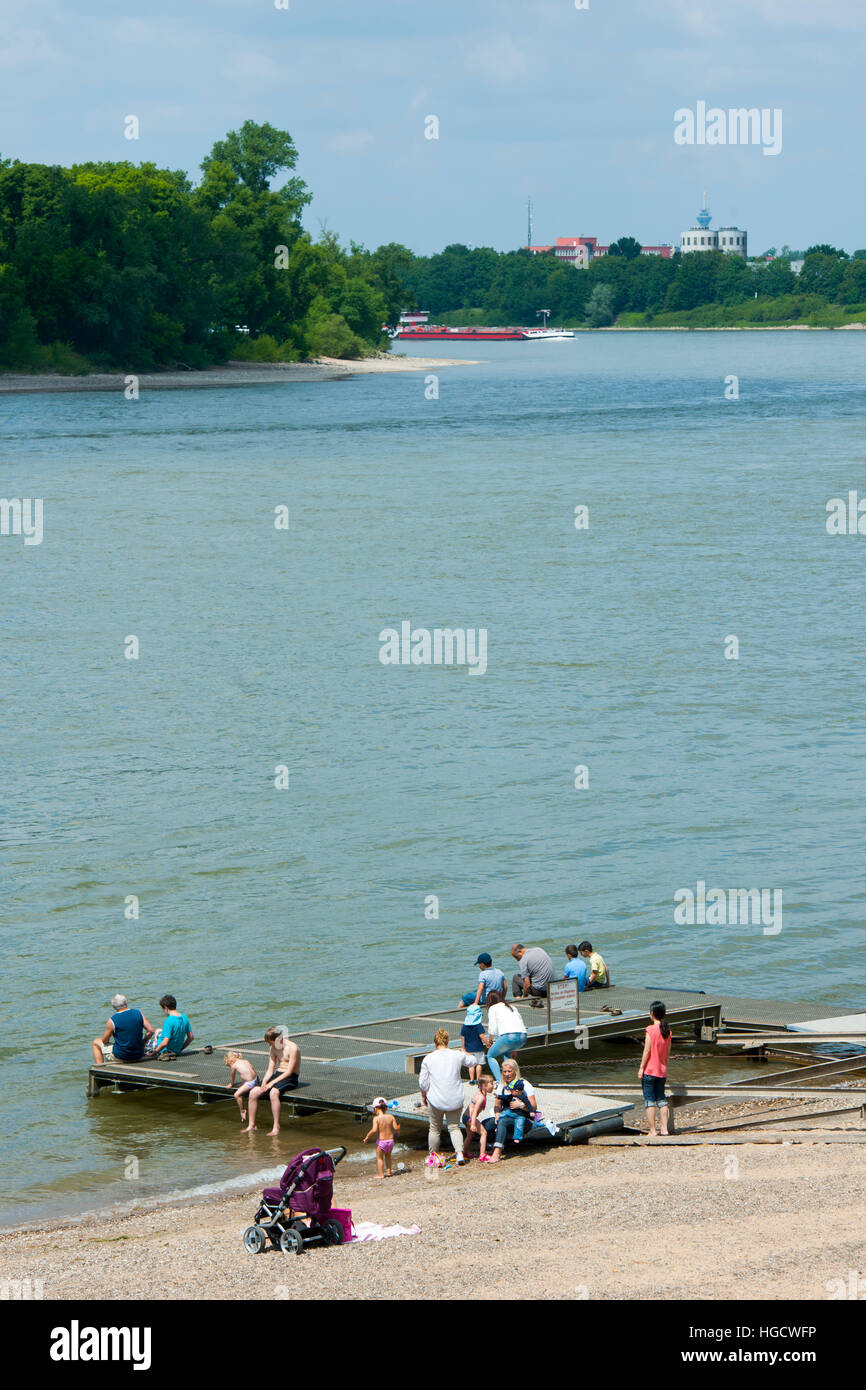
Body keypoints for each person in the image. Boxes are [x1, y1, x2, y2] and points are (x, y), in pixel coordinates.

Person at [418, 1029, 474, 1165]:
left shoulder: (428, 1058)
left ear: (434, 1042)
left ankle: (433, 1156)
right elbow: (473, 1061)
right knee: (454, 1127)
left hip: (436, 1099)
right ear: (447, 1041)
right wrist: (465, 1052)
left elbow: (423, 1083)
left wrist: (423, 1095)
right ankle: (459, 1153)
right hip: (455, 1097)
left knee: (435, 1128)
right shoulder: (456, 1055)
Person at [244, 1026, 302, 1135]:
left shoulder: (293, 1048)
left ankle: (276, 1127)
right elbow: (270, 1069)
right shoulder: (273, 1048)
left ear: (278, 1039)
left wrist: (272, 1083)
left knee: (273, 1092)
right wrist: (265, 1082)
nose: (269, 1045)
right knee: (253, 1092)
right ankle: (251, 1125)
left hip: (291, 1077)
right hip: (278, 1074)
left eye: (270, 1043)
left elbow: (289, 1072)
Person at [485, 1060, 537, 1162]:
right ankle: (495, 1144)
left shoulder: (524, 1085)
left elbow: (534, 1107)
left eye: (509, 1071)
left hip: (522, 1118)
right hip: (506, 1114)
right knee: (486, 1124)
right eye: (504, 1072)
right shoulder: (502, 1085)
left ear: (515, 1071)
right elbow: (497, 1104)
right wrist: (497, 1114)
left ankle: (497, 1152)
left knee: (503, 1122)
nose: (507, 1074)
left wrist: (521, 1105)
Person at [638, 1000, 672, 1137]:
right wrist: (665, 1066)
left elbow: (646, 1051)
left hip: (650, 1071)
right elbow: (668, 1053)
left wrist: (641, 1068)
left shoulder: (650, 1030)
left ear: (652, 1014)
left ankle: (653, 1130)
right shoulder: (667, 1031)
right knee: (662, 1100)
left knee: (649, 1101)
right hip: (661, 1071)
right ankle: (664, 1129)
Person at [92, 994, 155, 1064]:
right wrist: (143, 1043)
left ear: (113, 1007)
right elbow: (151, 1030)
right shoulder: (138, 1013)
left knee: (96, 1042)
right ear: (126, 1003)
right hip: (139, 1053)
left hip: (122, 1056)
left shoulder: (112, 1020)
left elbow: (104, 1041)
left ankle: (100, 1067)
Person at [482, 989, 528, 1081]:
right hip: (523, 1036)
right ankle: (514, 1080)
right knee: (507, 1054)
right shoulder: (511, 1007)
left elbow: (492, 1028)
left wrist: (489, 1041)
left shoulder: (493, 1008)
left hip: (509, 1036)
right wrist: (514, 1047)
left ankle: (500, 1082)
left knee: (490, 1056)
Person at [364, 1096, 401, 1178]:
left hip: (381, 1142)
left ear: (375, 1109)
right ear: (386, 1108)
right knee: (388, 1156)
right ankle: (389, 1172)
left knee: (380, 1158)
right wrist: (398, 1130)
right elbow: (395, 1128)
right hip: (391, 1141)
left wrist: (367, 1137)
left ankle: (381, 1174)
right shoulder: (391, 1116)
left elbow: (374, 1130)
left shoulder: (376, 1118)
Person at [462, 1076, 496, 1160]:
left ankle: (463, 1153)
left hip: (465, 1117)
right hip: (470, 1118)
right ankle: (482, 1155)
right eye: (491, 1084)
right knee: (484, 1133)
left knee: (470, 1136)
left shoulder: (481, 1094)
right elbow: (474, 1112)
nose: (493, 1086)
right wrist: (473, 1124)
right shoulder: (481, 1097)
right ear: (484, 1086)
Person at [224, 1050, 259, 1124]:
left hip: (250, 1083)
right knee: (243, 1081)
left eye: (229, 1064)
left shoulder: (234, 1065)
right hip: (255, 1079)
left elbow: (232, 1076)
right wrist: (257, 1081)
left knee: (236, 1095)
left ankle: (242, 1110)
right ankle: (245, 1083)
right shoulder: (246, 1061)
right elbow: (252, 1069)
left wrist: (231, 1084)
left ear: (231, 1061)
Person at [459, 1002, 486, 1082]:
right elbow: (482, 1036)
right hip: (478, 1048)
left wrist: (463, 1047)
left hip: (468, 1049)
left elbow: (462, 1037)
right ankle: (478, 1079)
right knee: (479, 1064)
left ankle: (471, 1079)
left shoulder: (465, 1025)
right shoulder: (478, 1025)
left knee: (471, 1065)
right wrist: (487, 1042)